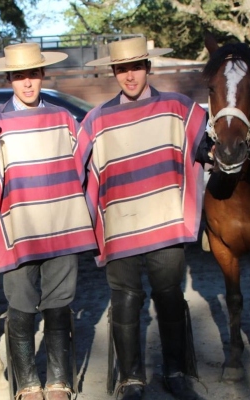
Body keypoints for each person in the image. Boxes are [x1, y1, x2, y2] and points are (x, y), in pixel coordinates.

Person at [79, 37, 209, 400]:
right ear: (114, 72)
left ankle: (176, 371)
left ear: (148, 68)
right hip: (120, 227)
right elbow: (75, 167)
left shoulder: (177, 108)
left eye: (136, 67)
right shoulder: (96, 119)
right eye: (122, 68)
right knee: (124, 301)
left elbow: (207, 144)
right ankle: (131, 378)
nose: (129, 75)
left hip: (164, 224)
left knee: (169, 297)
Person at [0, 43, 98, 400]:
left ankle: (59, 380)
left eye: (33, 74)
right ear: (10, 79)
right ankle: (28, 383)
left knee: (59, 305)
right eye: (19, 76)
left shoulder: (64, 119)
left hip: (61, 227)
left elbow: (83, 167)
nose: (27, 83)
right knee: (19, 306)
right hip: (18, 230)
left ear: (43, 75)